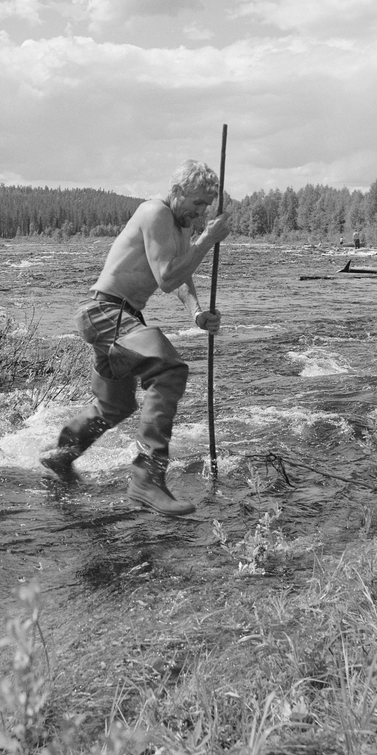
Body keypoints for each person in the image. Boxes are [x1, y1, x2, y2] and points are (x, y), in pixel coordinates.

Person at [38, 159, 231, 516]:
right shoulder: (156, 212)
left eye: (206, 205)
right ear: (176, 193)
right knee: (169, 369)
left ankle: (62, 455)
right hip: (104, 312)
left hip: (117, 316)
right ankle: (147, 479)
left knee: (116, 405)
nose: (201, 212)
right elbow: (166, 277)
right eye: (197, 203)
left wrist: (197, 313)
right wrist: (208, 240)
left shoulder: (181, 225)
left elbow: (181, 278)